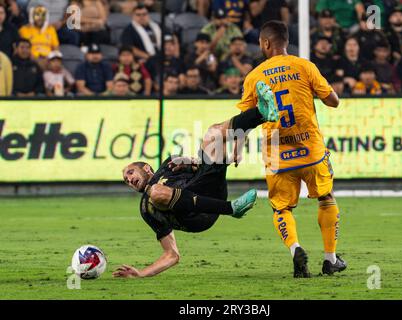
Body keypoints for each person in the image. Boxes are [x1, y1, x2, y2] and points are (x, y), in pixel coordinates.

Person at [112, 94, 279, 278]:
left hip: (210, 190)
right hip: (197, 216)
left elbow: (201, 164)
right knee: (155, 193)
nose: (129, 180)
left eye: (130, 173)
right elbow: (172, 255)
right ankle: (231, 208)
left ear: (146, 168)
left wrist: (190, 161)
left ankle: (262, 114)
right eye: (126, 181)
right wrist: (141, 273)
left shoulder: (170, 164)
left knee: (213, 134)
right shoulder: (146, 208)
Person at [236, 20, 345, 277]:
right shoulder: (304, 66)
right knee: (326, 198)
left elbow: (243, 121)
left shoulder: (254, 76)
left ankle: (295, 248)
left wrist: (237, 148)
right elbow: (333, 102)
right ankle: (330, 259)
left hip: (278, 156)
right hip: (311, 150)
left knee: (281, 208)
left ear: (265, 43)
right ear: (286, 42)